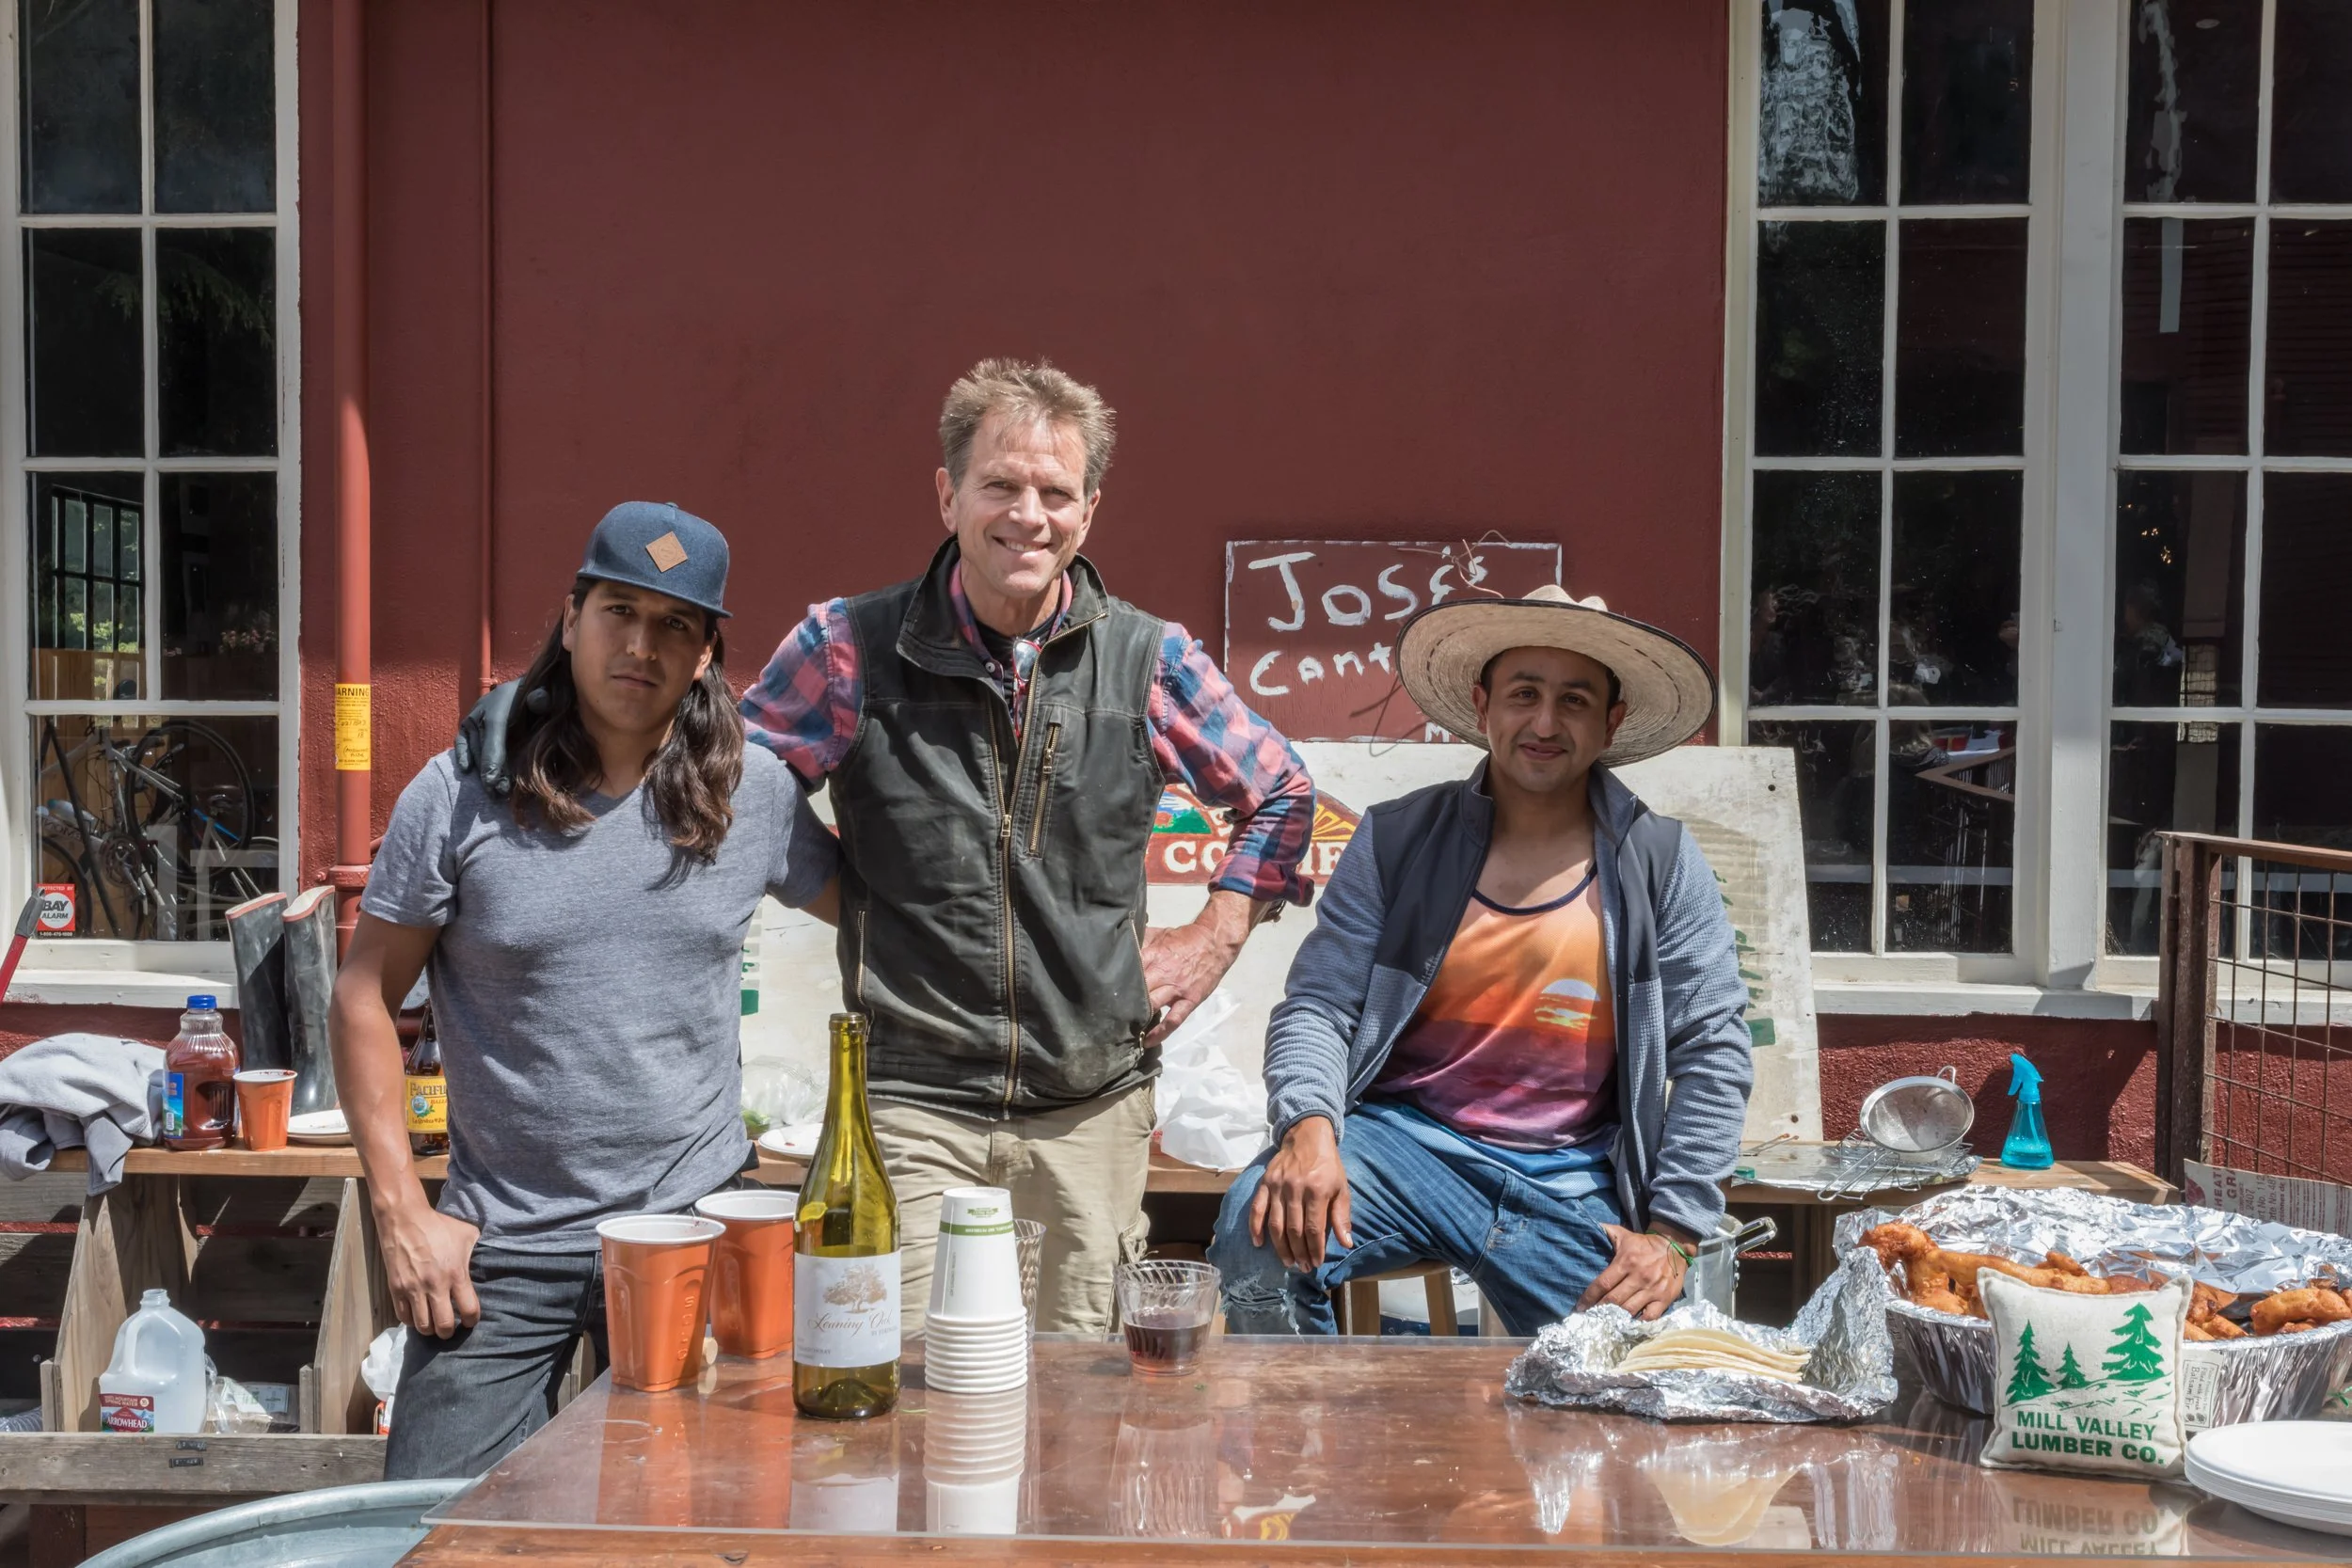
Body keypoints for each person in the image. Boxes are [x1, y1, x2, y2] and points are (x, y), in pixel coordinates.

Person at [736, 359, 1316, 1333]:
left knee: (1077, 1416)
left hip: (1087, 1109)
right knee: (899, 1388)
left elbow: (1285, 793)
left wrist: (1211, 933)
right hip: (909, 1104)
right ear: (948, 493)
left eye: (1056, 492)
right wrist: (845, 889)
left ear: (1089, 509)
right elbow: (742, 790)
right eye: (1001, 484)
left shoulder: (1148, 658)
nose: (1028, 514)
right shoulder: (847, 647)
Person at [334, 502, 838, 1479]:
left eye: (674, 625)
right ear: (570, 619)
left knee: (699, 1528)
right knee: (433, 1529)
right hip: (500, 1244)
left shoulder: (755, 794)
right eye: (619, 611)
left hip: (695, 1232)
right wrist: (403, 1211)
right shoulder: (459, 793)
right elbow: (363, 995)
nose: (640, 645)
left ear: (704, 655)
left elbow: (888, 922)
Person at [1208, 583, 1752, 1334]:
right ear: (1483, 705)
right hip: (1402, 1153)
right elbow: (1319, 1005)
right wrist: (1307, 1127)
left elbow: (1713, 1050)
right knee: (1256, 1230)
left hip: (1570, 1184)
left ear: (1611, 721)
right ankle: (1301, 1446)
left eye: (1574, 700)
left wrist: (1676, 1234)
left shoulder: (1659, 861)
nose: (1544, 722)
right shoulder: (1398, 840)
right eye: (1524, 692)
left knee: (1647, 1365)